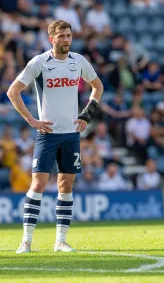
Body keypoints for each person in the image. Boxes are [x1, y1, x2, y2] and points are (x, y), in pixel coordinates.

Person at [7, 20, 104, 254]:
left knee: (65, 186)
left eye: (69, 35)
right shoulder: (39, 62)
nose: (66, 40)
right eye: (61, 36)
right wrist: (32, 120)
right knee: (38, 184)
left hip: (71, 135)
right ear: (52, 39)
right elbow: (13, 91)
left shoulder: (78, 61)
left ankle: (60, 241)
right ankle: (26, 241)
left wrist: (87, 114)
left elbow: (98, 87)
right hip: (47, 135)